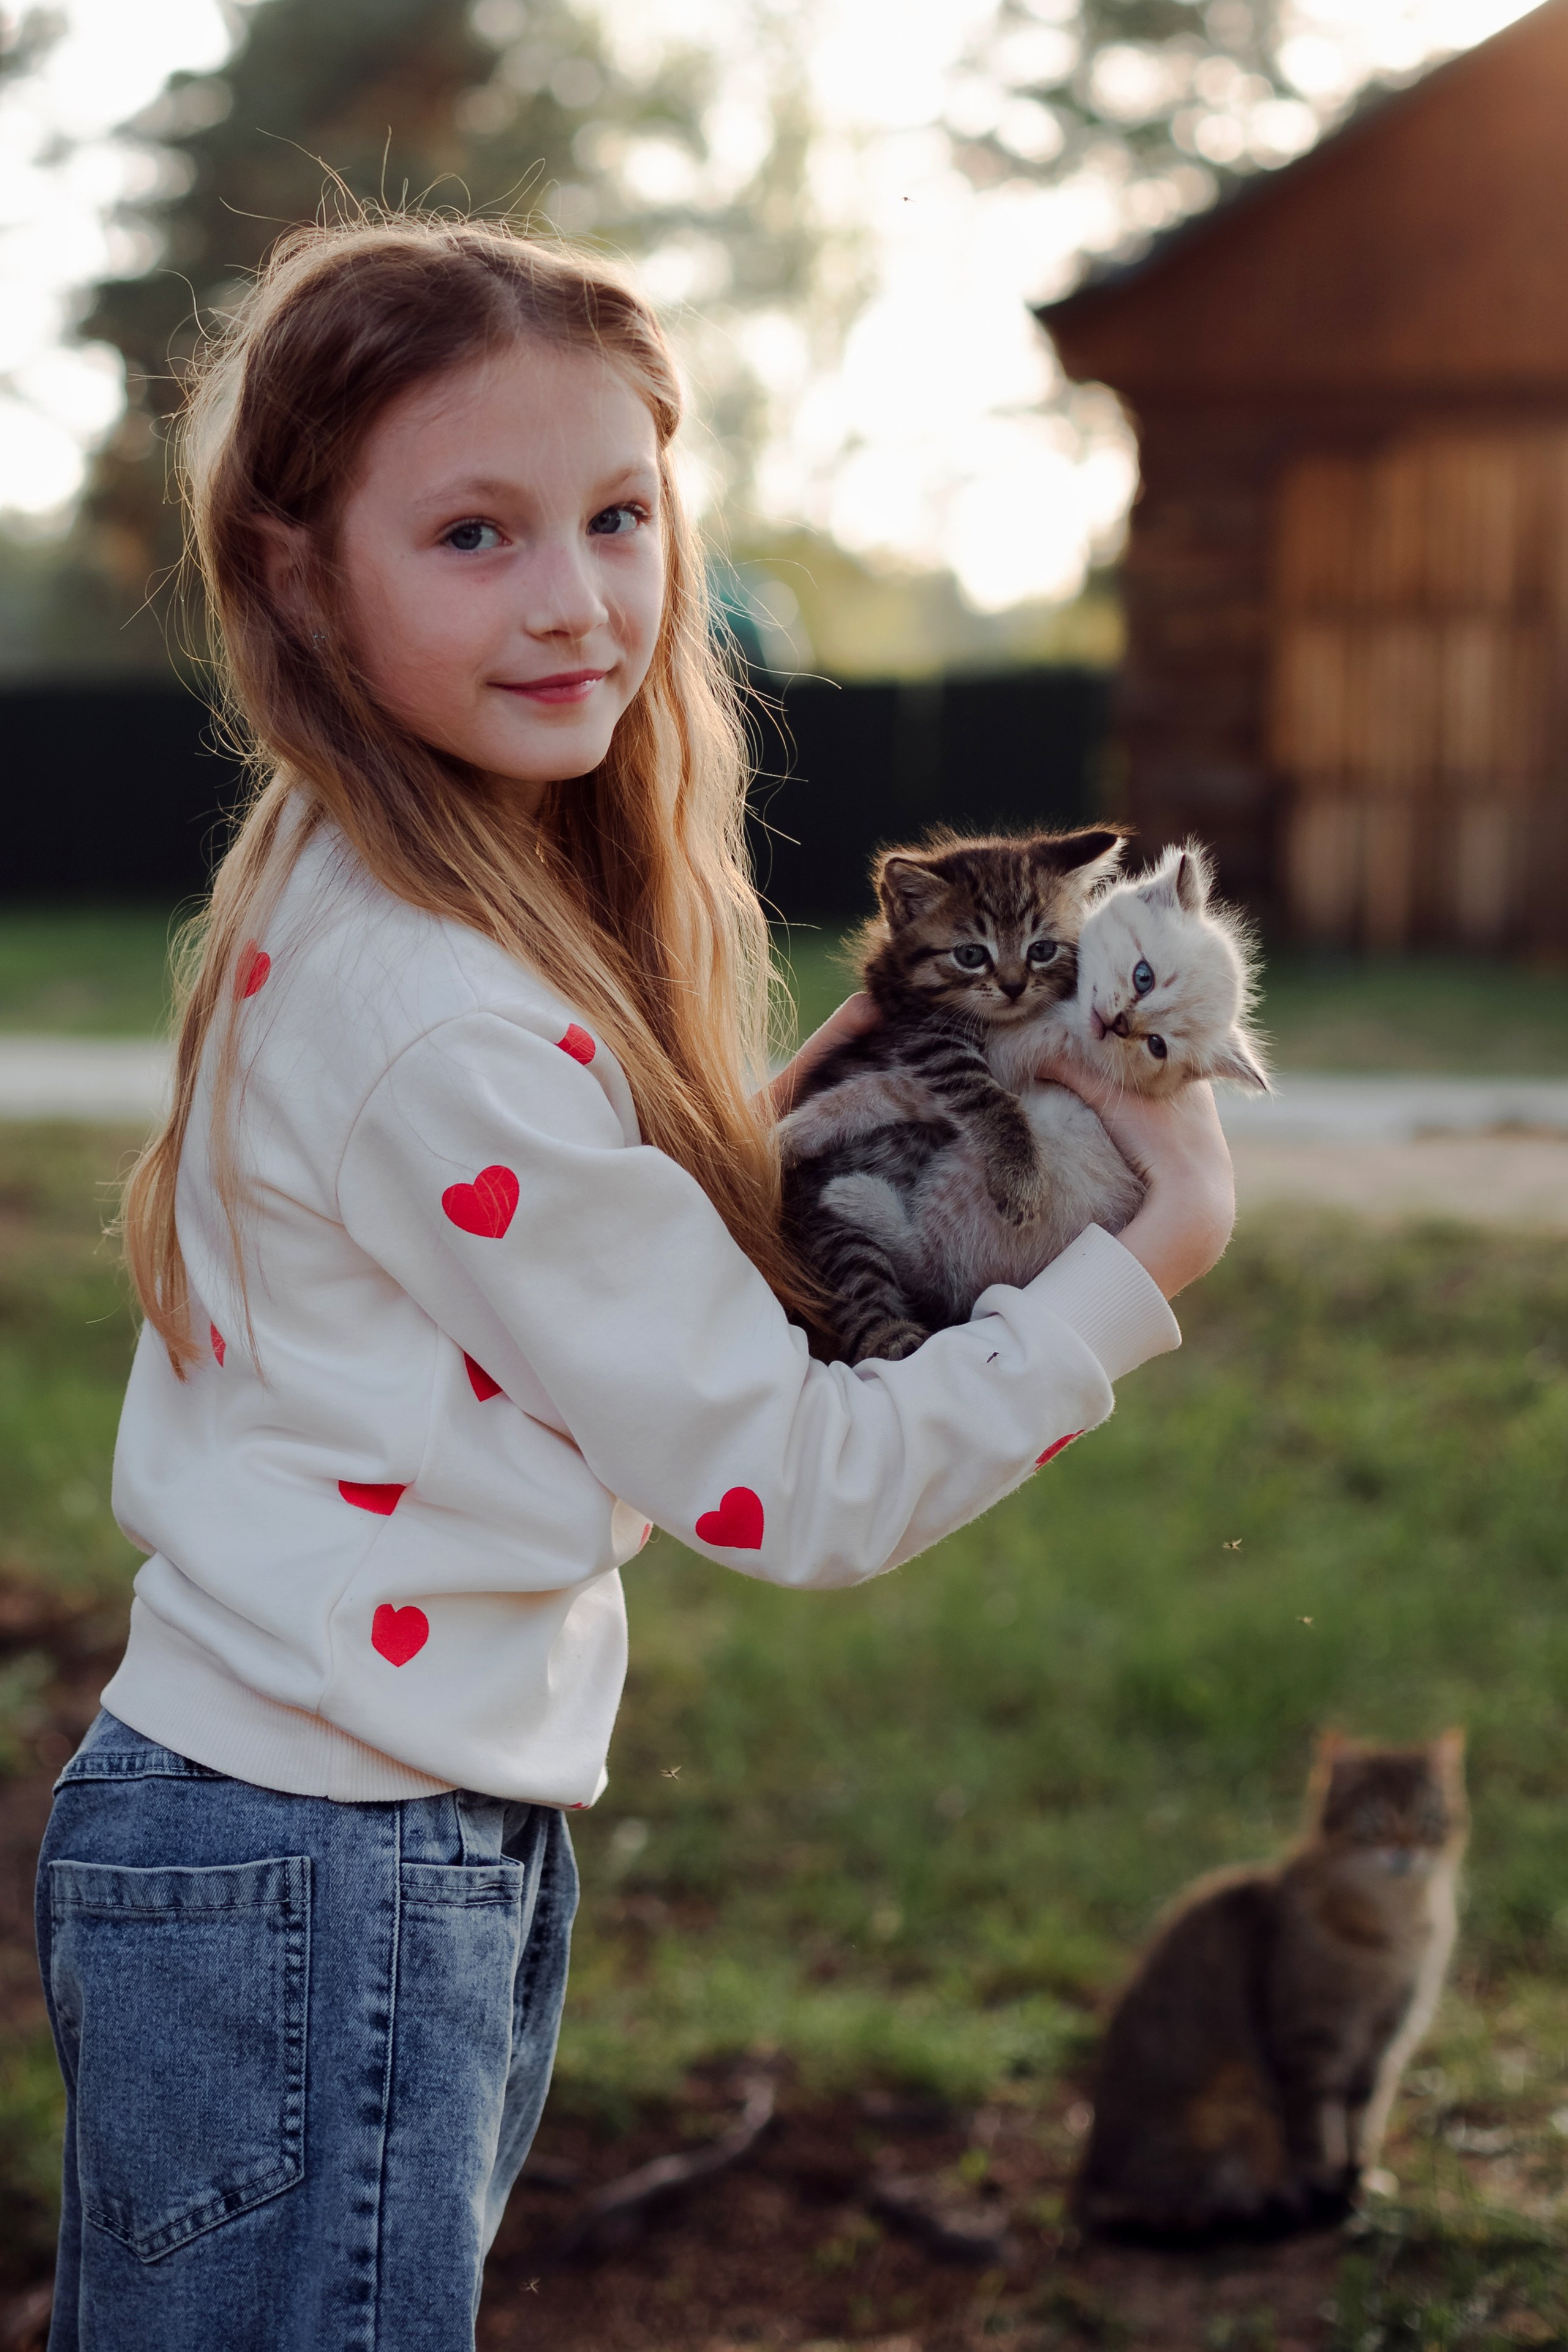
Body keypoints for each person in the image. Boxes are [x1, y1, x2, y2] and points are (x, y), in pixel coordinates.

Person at [34, 217, 1234, 2352]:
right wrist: (1143, 1268)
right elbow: (791, 1485)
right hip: (334, 1857)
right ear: (302, 573)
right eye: (475, 534)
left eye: (616, 516)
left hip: (311, 1821)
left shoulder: (391, 879)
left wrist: (838, 1120)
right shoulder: (437, 1013)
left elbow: (579, 1247)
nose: (577, 597)